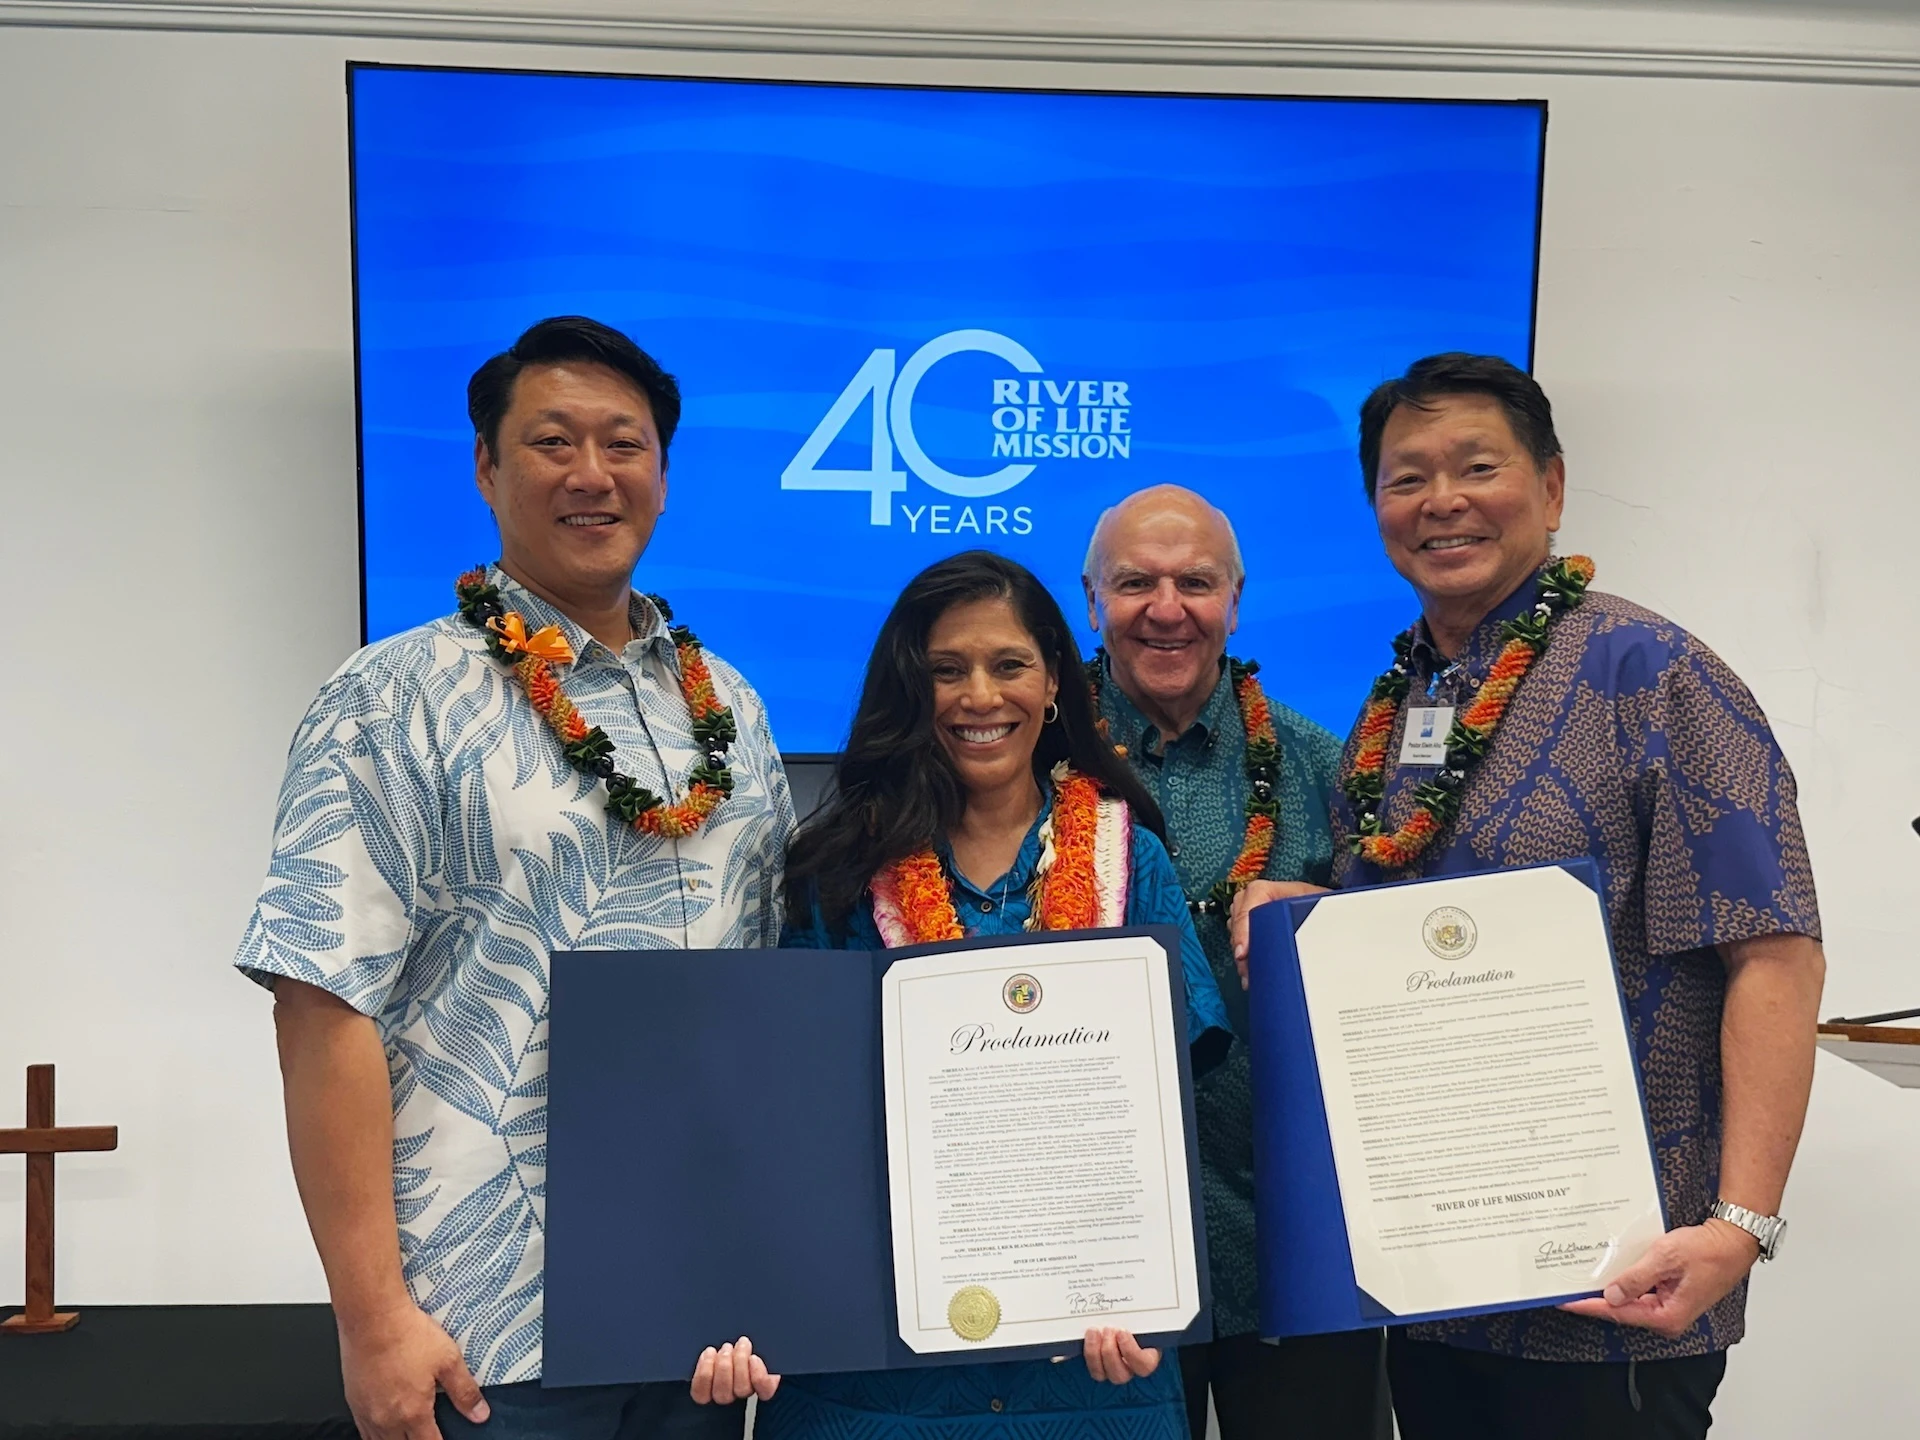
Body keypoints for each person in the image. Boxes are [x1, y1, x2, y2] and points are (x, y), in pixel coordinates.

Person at [1230, 353, 1825, 1440]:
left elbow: (1774, 952)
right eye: (1407, 478)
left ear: (1550, 487)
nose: (1442, 501)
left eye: (1477, 466)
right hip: (1437, 1291)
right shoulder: (1403, 696)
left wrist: (1741, 1226)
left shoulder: (1652, 674)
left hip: (1622, 1291)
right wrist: (1302, 909)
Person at [235, 316, 794, 1440]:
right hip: (487, 1332)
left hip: (702, 1321)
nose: (593, 475)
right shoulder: (391, 697)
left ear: (665, 476)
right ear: (487, 467)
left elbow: (769, 999)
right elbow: (321, 1002)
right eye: (552, 442)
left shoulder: (728, 706)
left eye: (623, 444)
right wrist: (372, 1318)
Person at [690, 549, 1234, 1439]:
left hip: (1092, 1371)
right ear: (911, 692)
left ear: (1054, 679)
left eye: (1009, 664)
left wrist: (1144, 1281)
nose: (981, 696)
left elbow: (1164, 1106)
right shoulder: (837, 871)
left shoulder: (1127, 858)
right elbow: (788, 1118)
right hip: (874, 1377)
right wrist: (757, 1304)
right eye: (947, 671)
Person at [1080, 485, 1386, 1440]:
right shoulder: (1025, 758)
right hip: (1094, 1252)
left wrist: (1337, 924)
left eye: (1195, 582)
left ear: (1237, 599)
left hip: (1291, 1241)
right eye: (1135, 582)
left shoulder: (1322, 766)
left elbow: (1397, 977)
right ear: (1091, 599)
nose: (1165, 608)